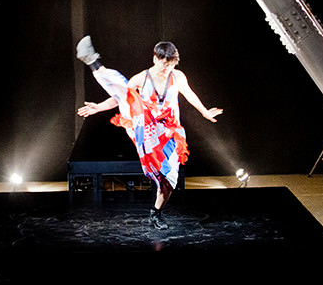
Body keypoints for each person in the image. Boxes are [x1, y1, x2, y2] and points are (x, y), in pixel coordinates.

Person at [76, 36, 222, 228]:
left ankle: (156, 212)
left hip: (169, 132)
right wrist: (99, 107)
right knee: (125, 92)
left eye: (171, 65)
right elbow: (120, 98)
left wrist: (204, 112)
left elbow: (189, 94)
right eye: (164, 65)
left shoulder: (177, 77)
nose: (167, 69)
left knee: (169, 178)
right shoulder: (141, 78)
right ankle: (94, 63)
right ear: (155, 58)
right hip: (146, 127)